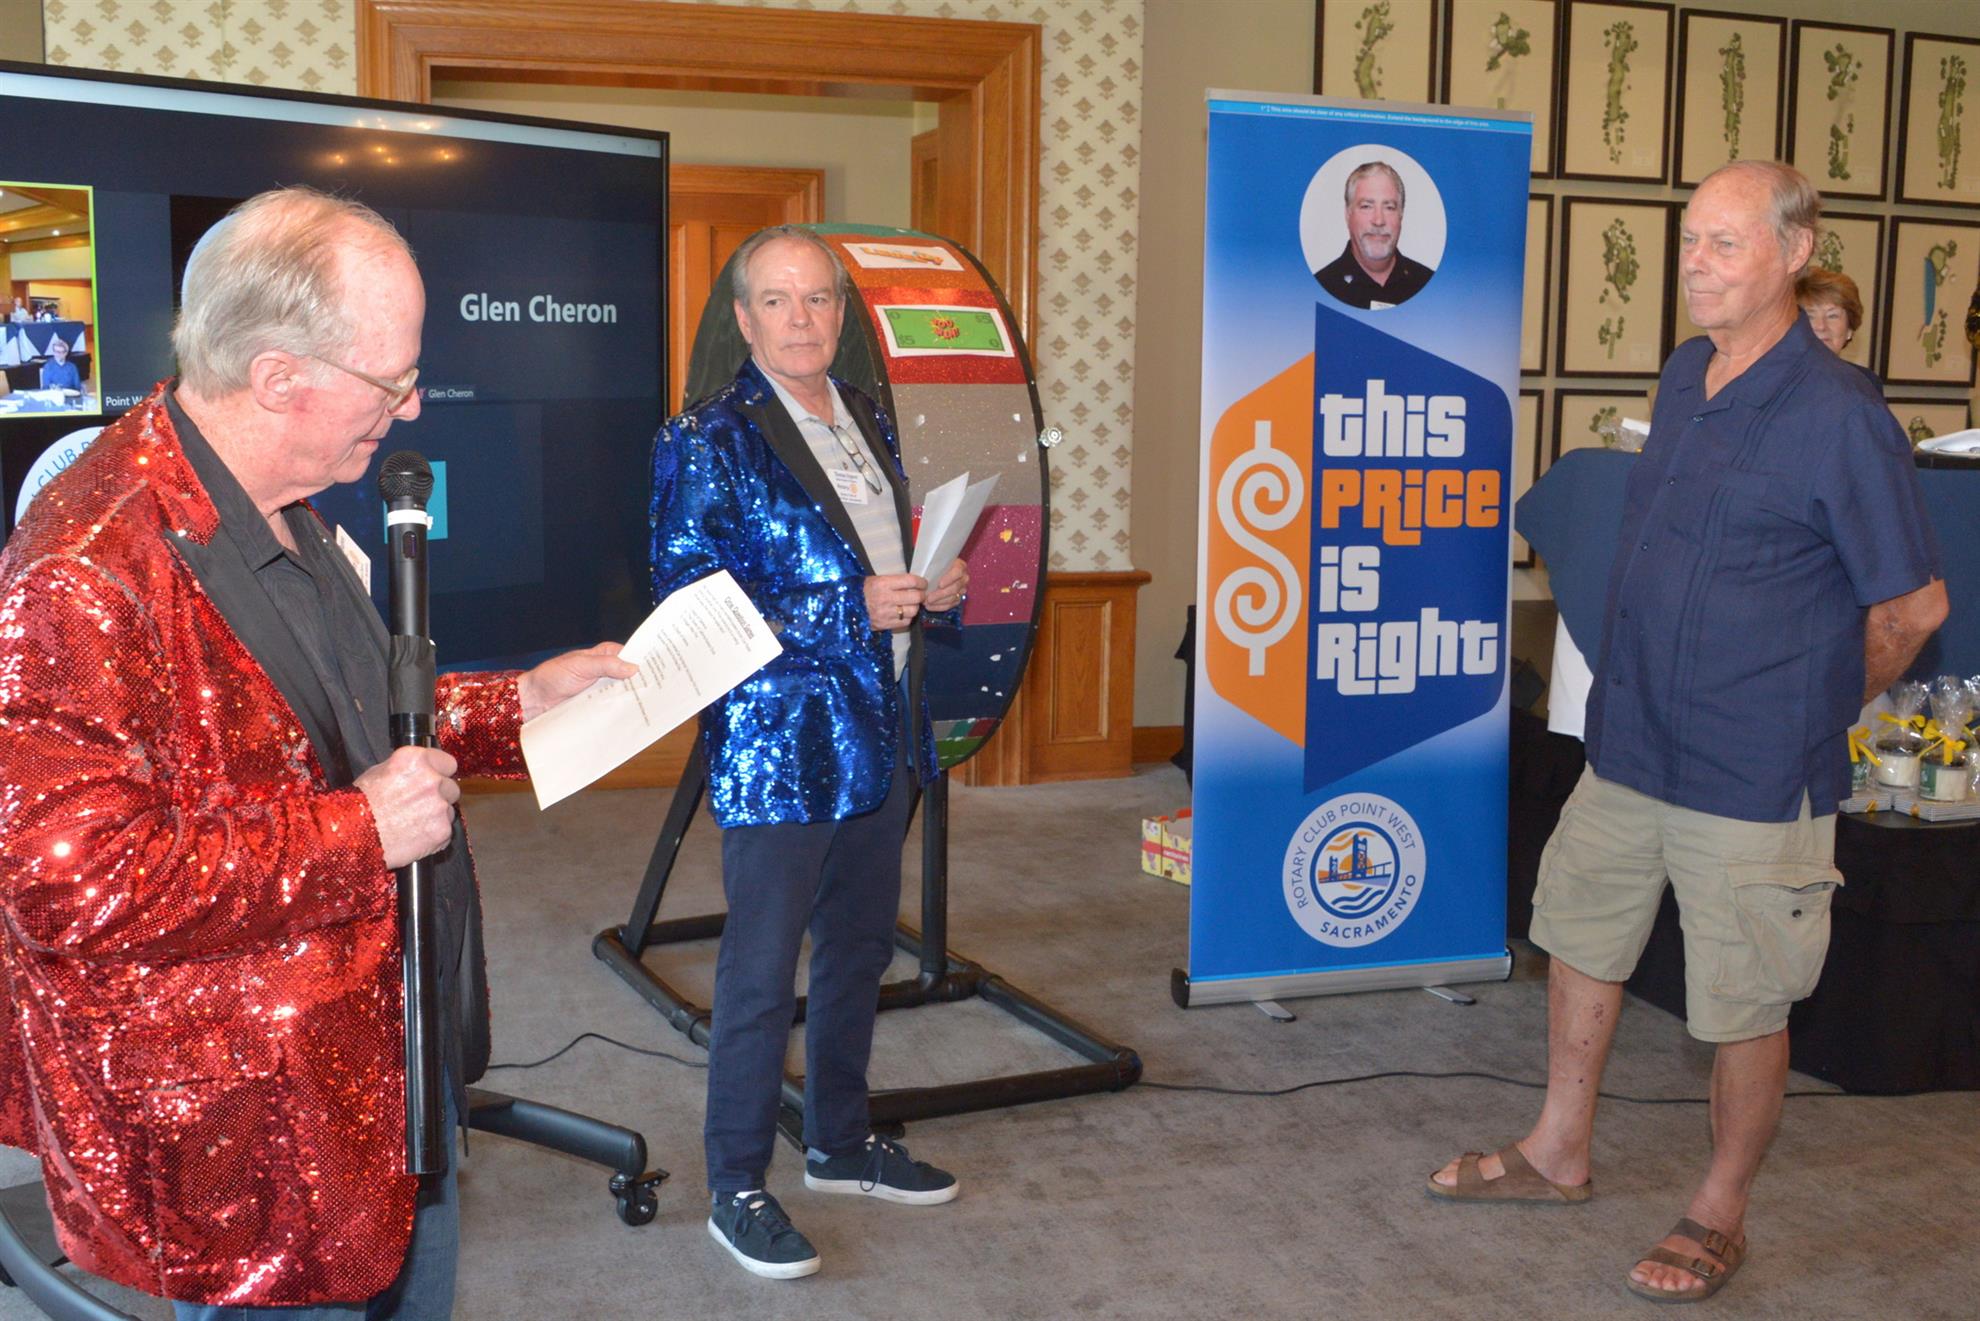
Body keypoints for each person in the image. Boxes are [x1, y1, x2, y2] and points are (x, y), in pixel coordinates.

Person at [0, 187, 636, 1317]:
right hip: (254, 1124)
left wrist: (522, 701)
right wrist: (361, 831)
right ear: (278, 377)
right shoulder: (83, 567)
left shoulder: (285, 497)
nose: (413, 404)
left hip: (384, 1057)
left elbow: (347, 718)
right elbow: (71, 884)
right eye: (392, 379)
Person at [1428, 161, 1946, 1302]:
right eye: (1690, 240)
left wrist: (1817, 702)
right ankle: (1559, 1147)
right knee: (1580, 934)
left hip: (1754, 770)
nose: (1695, 265)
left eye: (1724, 243)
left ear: (1795, 252)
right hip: (1633, 740)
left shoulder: (1842, 417)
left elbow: (1913, 608)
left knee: (1743, 998)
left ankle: (1720, 1209)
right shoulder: (1684, 370)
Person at [649, 225, 969, 1281]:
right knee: (758, 972)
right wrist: (850, 605)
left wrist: (930, 585)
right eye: (778, 301)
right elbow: (691, 601)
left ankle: (837, 1141)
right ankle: (736, 1184)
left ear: (843, 313)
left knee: (859, 948)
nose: (802, 319)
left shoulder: (865, 414)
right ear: (744, 320)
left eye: (820, 299)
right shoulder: (708, 437)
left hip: (884, 728)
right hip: (781, 745)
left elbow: (877, 560)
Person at [1313, 160, 1435, 309]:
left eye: (1389, 207)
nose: (1378, 221)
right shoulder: (1319, 288)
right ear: (1348, 214)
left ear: (1401, 215)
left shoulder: (1430, 285)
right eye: (1366, 206)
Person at [1796, 266, 1878, 383]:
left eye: (1832, 316)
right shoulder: (1775, 380)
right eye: (1810, 316)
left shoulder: (1865, 382)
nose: (1821, 326)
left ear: (1849, 329)